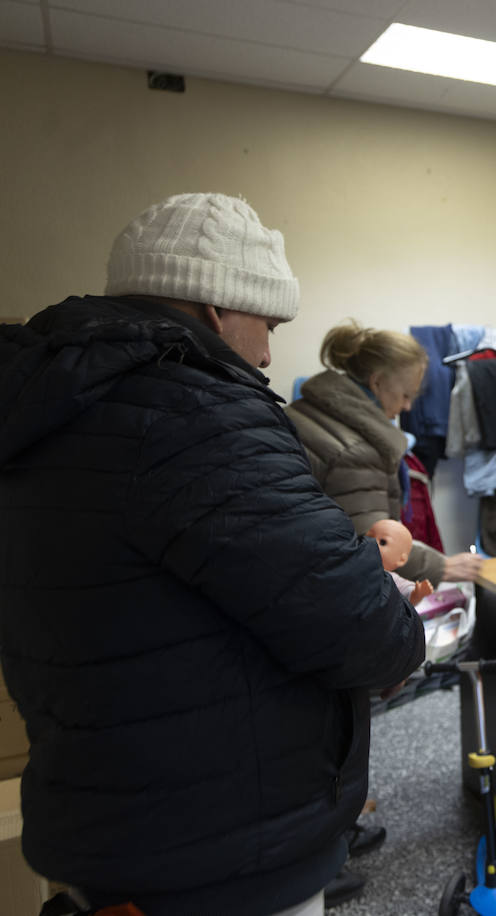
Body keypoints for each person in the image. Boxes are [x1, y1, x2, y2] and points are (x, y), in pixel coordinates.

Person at [0, 193, 424, 915]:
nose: (264, 356)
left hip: (109, 811)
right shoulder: (191, 410)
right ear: (214, 308)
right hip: (226, 848)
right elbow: (365, 632)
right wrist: (374, 572)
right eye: (265, 324)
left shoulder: (50, 401)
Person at [285, 322, 483, 585]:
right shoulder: (359, 450)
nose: (407, 406)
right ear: (377, 382)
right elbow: (374, 544)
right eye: (405, 395)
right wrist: (441, 567)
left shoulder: (305, 410)